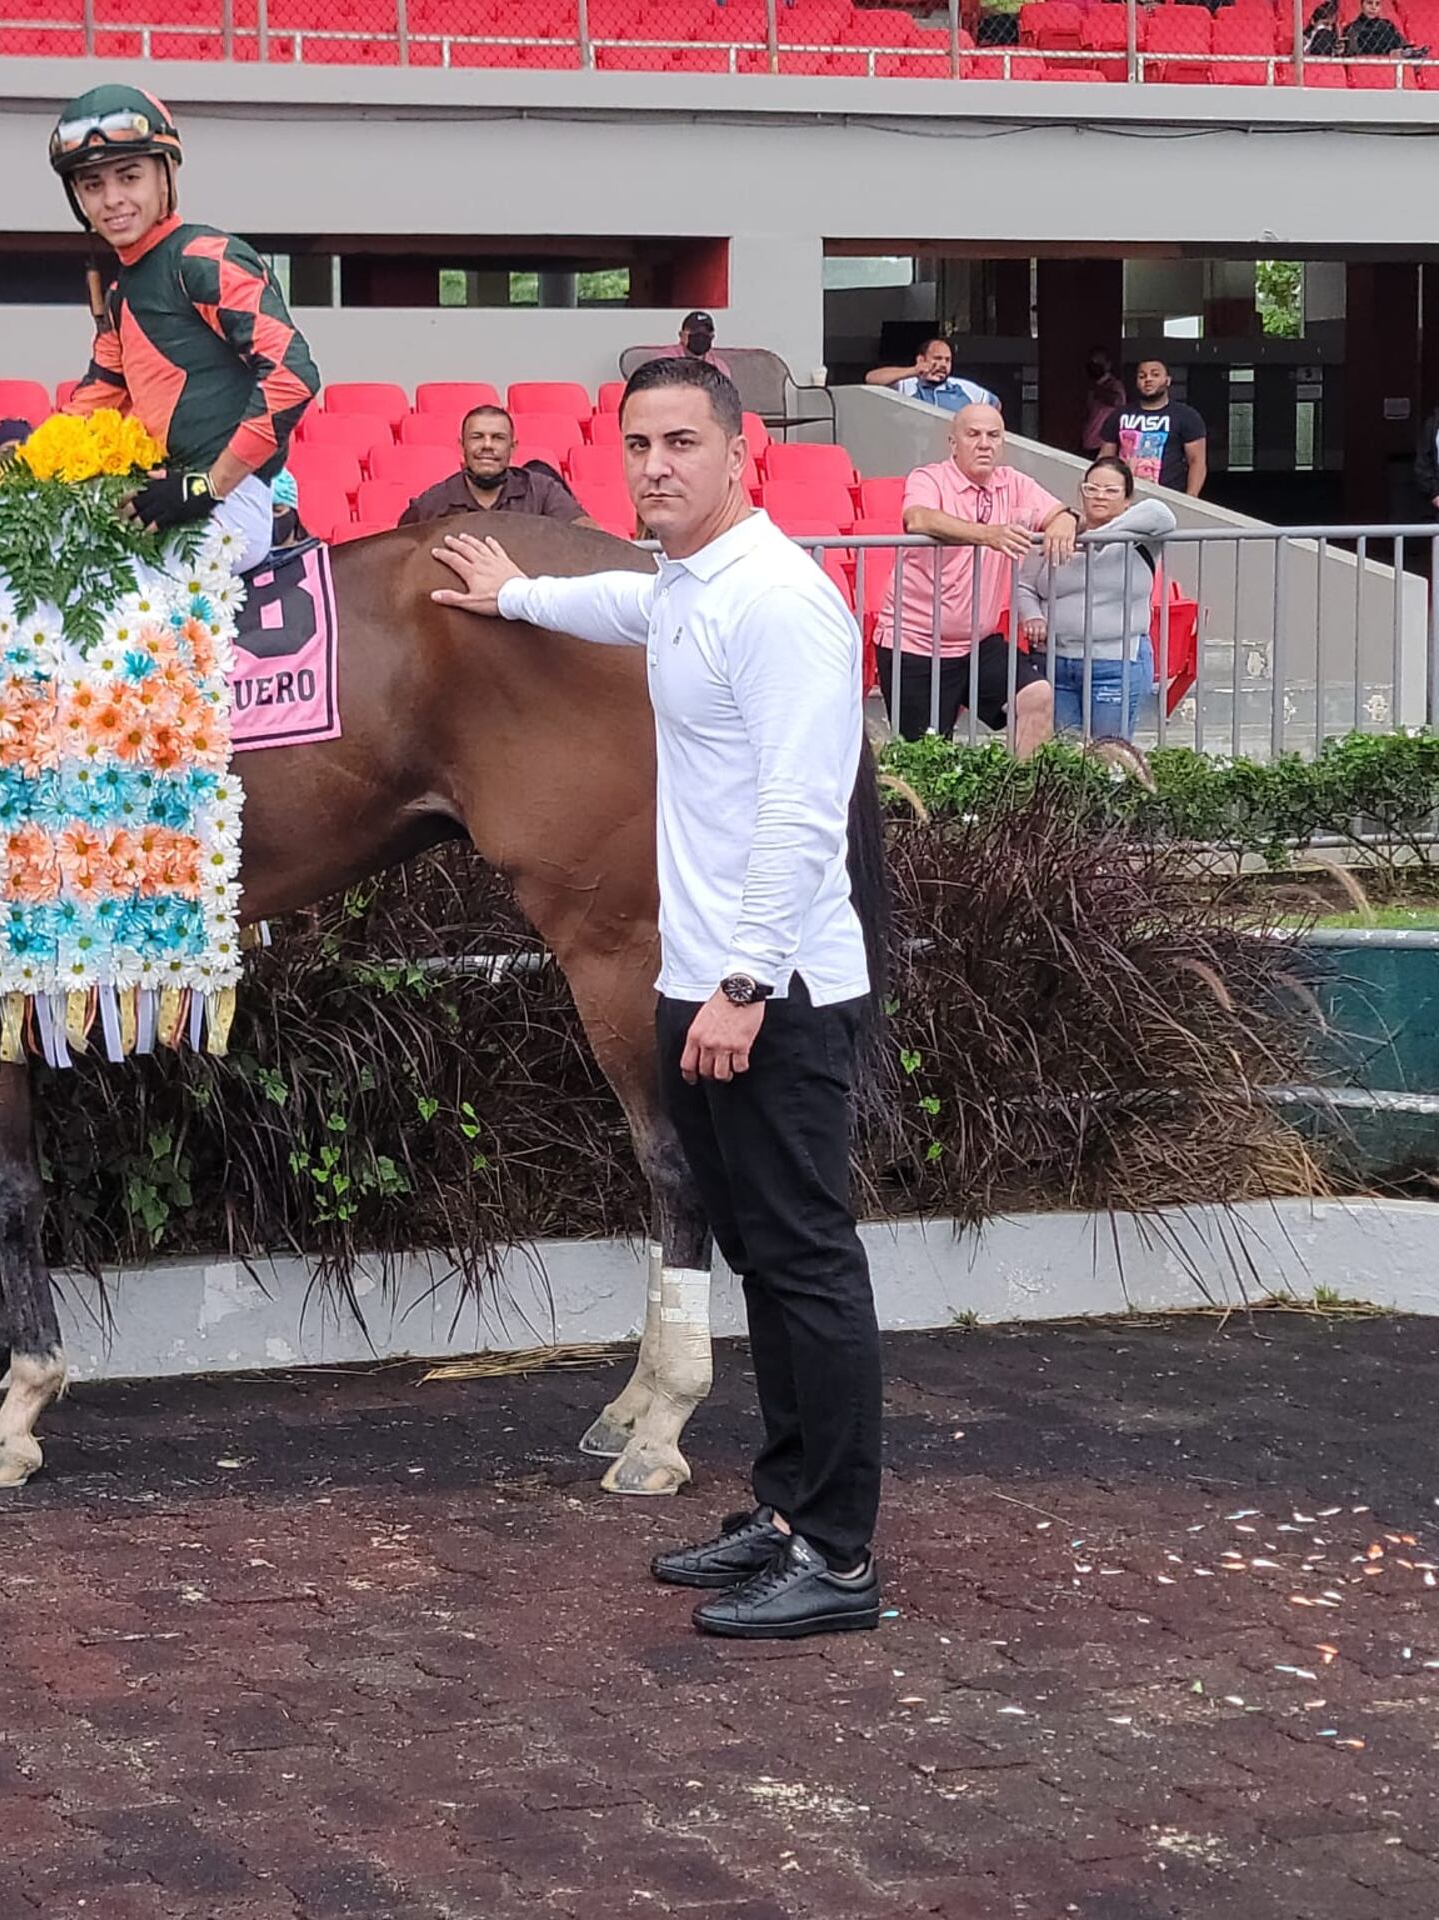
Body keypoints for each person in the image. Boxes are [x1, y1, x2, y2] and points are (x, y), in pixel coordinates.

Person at [427, 357, 886, 1641]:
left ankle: (838, 1558)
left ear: (741, 456)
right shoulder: (690, 586)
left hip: (774, 991)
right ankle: (788, 1514)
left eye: (681, 442)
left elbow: (802, 819)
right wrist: (519, 593)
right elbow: (626, 604)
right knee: (758, 1256)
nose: (654, 465)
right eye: (637, 443)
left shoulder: (782, 602)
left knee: (806, 1264)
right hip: (707, 988)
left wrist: (740, 985)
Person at [0, 84, 322, 574]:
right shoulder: (122, 298)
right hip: (166, 500)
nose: (112, 200)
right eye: (92, 185)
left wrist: (207, 485)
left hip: (230, 507)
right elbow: (73, 429)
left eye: (129, 177)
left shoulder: (204, 257)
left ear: (165, 175)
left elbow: (292, 376)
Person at [882, 404, 1079, 756]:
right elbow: (919, 519)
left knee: (1036, 695)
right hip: (915, 643)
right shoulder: (929, 478)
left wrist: (1065, 521)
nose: (984, 444)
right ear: (953, 443)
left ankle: (1023, 802)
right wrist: (987, 534)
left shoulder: (1013, 482)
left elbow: (1058, 513)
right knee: (926, 760)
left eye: (994, 435)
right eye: (973, 435)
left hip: (978, 641)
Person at [1014, 457, 1175, 743]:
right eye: (1092, 488)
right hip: (1056, 661)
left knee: (1110, 753)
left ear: (1128, 499)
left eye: (1112, 490)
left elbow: (1161, 514)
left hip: (1116, 662)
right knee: (1065, 755)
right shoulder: (1056, 532)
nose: (1100, 495)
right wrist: (1033, 616)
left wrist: (1097, 538)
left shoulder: (1141, 537)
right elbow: (1025, 586)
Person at [399, 405, 584, 526]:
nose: (487, 445)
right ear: (461, 445)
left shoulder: (543, 491)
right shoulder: (433, 503)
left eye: (498, 438)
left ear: (512, 447)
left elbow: (589, 535)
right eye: (477, 437)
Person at [1115, 360, 1208, 498]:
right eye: (1142, 376)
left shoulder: (1187, 416)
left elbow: (1197, 461)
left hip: (1170, 496)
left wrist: (1191, 498)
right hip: (1124, 496)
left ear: (1168, 380)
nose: (1148, 379)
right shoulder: (1119, 415)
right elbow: (1105, 458)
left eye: (1155, 374)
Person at [863, 336, 998, 416]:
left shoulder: (963, 387)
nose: (943, 365)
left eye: (947, 360)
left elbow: (995, 405)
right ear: (921, 360)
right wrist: (914, 371)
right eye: (937, 359)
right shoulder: (908, 384)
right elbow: (871, 379)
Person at [1081, 351, 1126, 459]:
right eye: (1093, 362)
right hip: (1089, 440)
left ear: (1108, 364)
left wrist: (1097, 389)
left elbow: (1117, 402)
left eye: (1099, 362)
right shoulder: (1092, 386)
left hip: (1103, 443)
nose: (1095, 365)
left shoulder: (1114, 384)